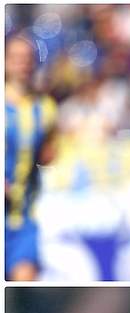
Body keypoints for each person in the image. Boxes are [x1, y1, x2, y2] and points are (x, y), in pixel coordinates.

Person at [5, 34, 58, 281]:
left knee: (24, 280)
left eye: (27, 59)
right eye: (16, 58)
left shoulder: (45, 107)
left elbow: (47, 154)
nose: (22, 64)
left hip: (23, 217)